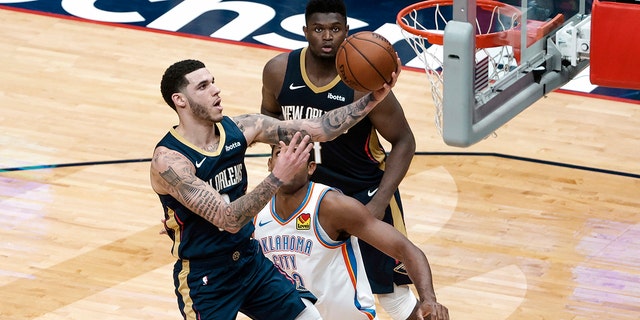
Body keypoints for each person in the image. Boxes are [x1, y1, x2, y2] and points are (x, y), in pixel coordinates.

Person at [150, 58, 399, 320]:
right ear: (180, 100)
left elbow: (321, 128)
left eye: (213, 82)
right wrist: (278, 176)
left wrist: (372, 99)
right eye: (203, 86)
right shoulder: (169, 161)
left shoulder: (240, 128)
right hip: (207, 277)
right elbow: (229, 219)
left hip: (249, 261)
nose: (215, 90)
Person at [260, 0, 419, 318]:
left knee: (392, 295)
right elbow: (268, 116)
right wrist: (282, 165)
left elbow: (404, 141)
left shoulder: (363, 83)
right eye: (319, 29)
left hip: (364, 194)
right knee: (312, 291)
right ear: (306, 31)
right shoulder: (278, 70)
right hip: (310, 199)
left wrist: (379, 203)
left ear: (347, 31)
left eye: (335, 29)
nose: (327, 36)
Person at [253, 145, 449, 320]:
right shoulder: (253, 212)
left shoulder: (332, 206)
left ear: (311, 167)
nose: (288, 160)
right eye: (281, 153)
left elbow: (405, 249)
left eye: (297, 155)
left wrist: (429, 299)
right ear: (270, 164)